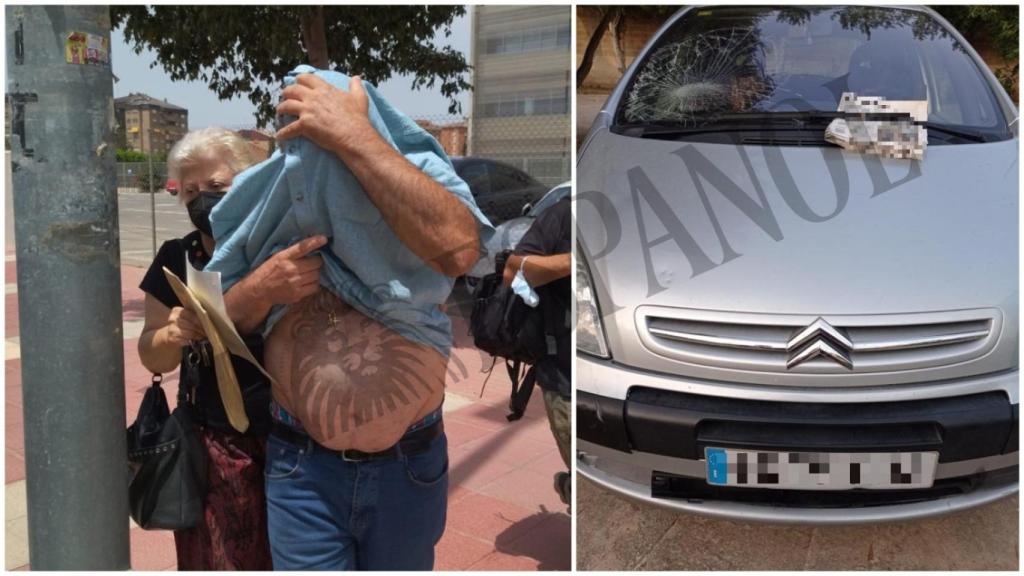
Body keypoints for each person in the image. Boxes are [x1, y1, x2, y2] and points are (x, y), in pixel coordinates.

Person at [219, 71, 490, 570]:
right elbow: (219, 323)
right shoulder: (265, 194)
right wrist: (260, 288)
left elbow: (459, 249)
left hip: (407, 463)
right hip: (302, 468)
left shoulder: (418, 168)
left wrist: (354, 137)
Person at [137, 127, 275, 570]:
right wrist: (173, 333)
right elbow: (151, 353)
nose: (203, 200)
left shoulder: (275, 250)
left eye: (216, 187)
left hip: (291, 437)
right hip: (214, 442)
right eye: (191, 190)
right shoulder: (175, 257)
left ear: (248, 183)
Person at [502, 196, 572, 506]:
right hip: (565, 377)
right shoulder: (565, 212)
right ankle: (572, 488)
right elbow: (512, 271)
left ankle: (571, 486)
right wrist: (579, 260)